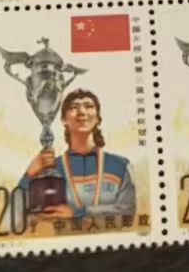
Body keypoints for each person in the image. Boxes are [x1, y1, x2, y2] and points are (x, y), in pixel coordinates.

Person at [19, 88, 137, 223]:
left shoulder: (120, 166)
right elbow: (16, 216)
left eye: (89, 106)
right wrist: (29, 174)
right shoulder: (51, 169)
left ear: (98, 119)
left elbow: (128, 211)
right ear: (64, 119)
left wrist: (78, 212)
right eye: (74, 107)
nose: (82, 112)